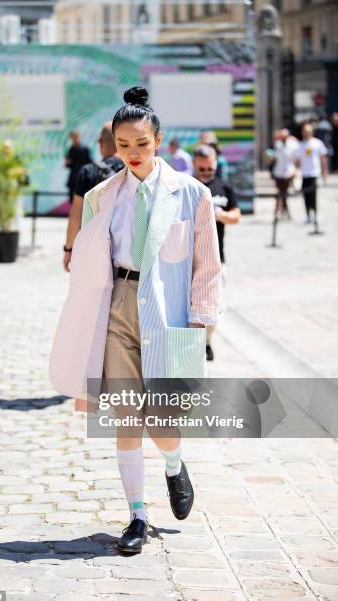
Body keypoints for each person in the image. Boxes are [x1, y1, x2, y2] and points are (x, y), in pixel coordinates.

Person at [50, 86, 221, 554]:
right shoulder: (103, 195)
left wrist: (201, 325)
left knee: (164, 419)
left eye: (141, 145)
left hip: (171, 311)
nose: (132, 155)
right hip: (118, 306)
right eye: (123, 147)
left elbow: (207, 266)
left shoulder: (193, 194)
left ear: (159, 140)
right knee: (127, 414)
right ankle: (137, 516)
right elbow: (90, 258)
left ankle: (174, 463)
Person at [193, 145, 240, 361]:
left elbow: (236, 216)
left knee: (215, 304)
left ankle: (207, 342)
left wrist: (220, 215)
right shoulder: (187, 186)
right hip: (190, 258)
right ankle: (191, 343)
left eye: (209, 169)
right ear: (195, 164)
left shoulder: (224, 186)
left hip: (217, 257)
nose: (206, 173)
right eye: (202, 169)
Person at [63, 122, 124, 272]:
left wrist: (69, 249)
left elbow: (75, 216)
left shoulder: (89, 171)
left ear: (100, 143)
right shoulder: (133, 171)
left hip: (96, 253)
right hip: (126, 255)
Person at [296, 122, 328, 223]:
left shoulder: (317, 143)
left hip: (314, 173)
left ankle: (315, 213)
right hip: (304, 173)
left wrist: (324, 171)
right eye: (305, 132)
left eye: (308, 132)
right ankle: (308, 214)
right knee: (305, 196)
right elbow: (297, 160)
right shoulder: (300, 145)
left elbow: (323, 158)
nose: (306, 133)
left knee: (313, 195)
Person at [272, 128, 299, 218]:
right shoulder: (277, 144)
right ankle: (284, 211)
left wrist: (296, 170)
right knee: (281, 192)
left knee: (283, 192)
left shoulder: (293, 144)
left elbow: (296, 159)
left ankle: (281, 210)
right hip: (278, 172)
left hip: (288, 172)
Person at [64, 131, 92, 201]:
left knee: (83, 200)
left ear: (79, 137)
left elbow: (90, 163)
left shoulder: (85, 149)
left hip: (83, 178)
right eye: (72, 137)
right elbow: (69, 165)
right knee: (72, 200)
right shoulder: (71, 149)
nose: (74, 139)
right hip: (73, 180)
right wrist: (67, 163)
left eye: (75, 137)